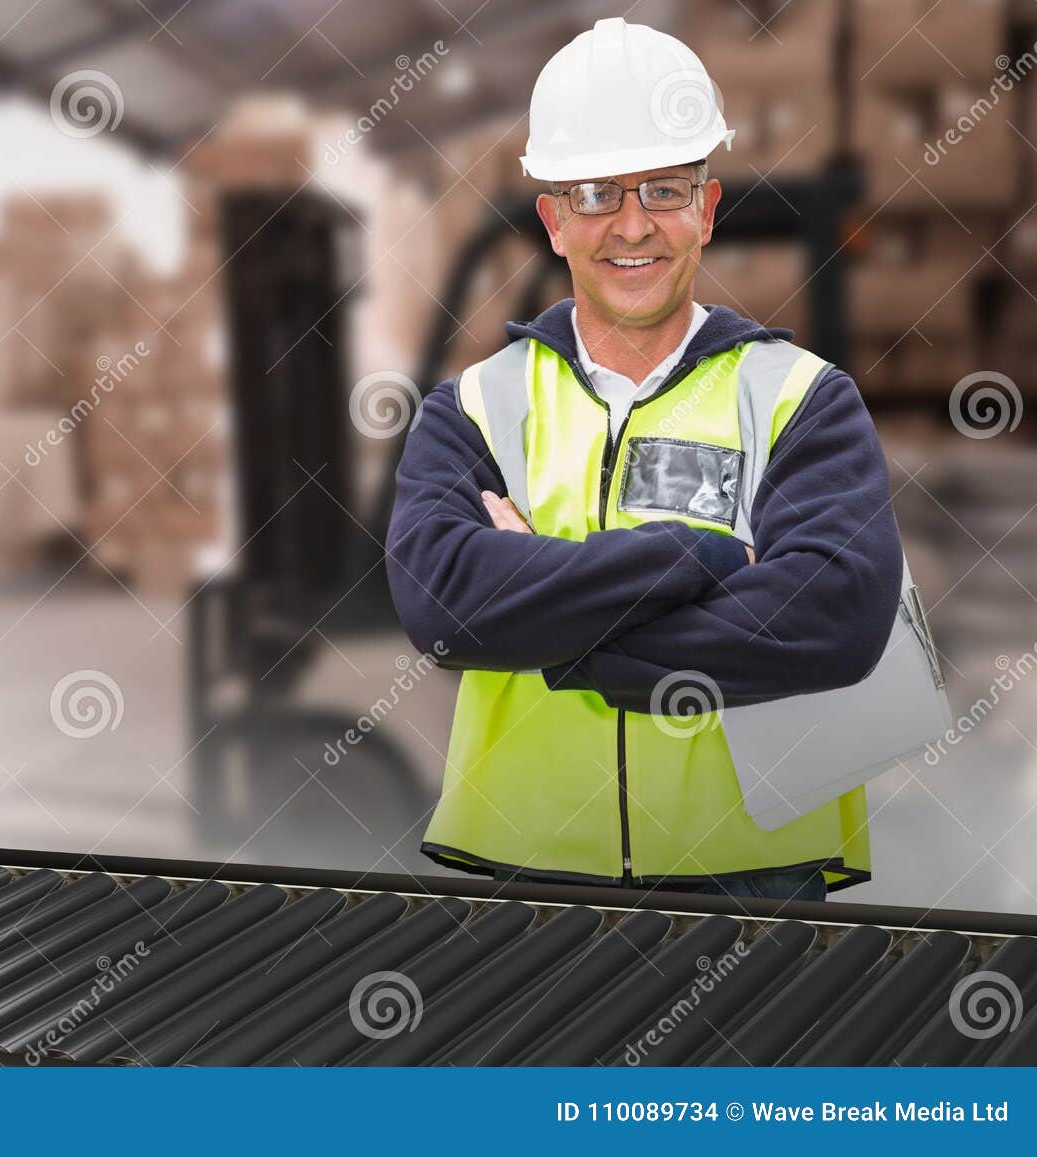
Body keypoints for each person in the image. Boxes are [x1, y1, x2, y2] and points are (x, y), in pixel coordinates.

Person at [385, 18, 904, 903]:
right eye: (594, 193)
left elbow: (835, 619)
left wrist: (554, 625)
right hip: (526, 875)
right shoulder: (474, 407)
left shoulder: (800, 399)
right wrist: (694, 558)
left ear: (705, 210)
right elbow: (442, 605)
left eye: (663, 189)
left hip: (756, 879)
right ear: (553, 221)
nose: (632, 225)